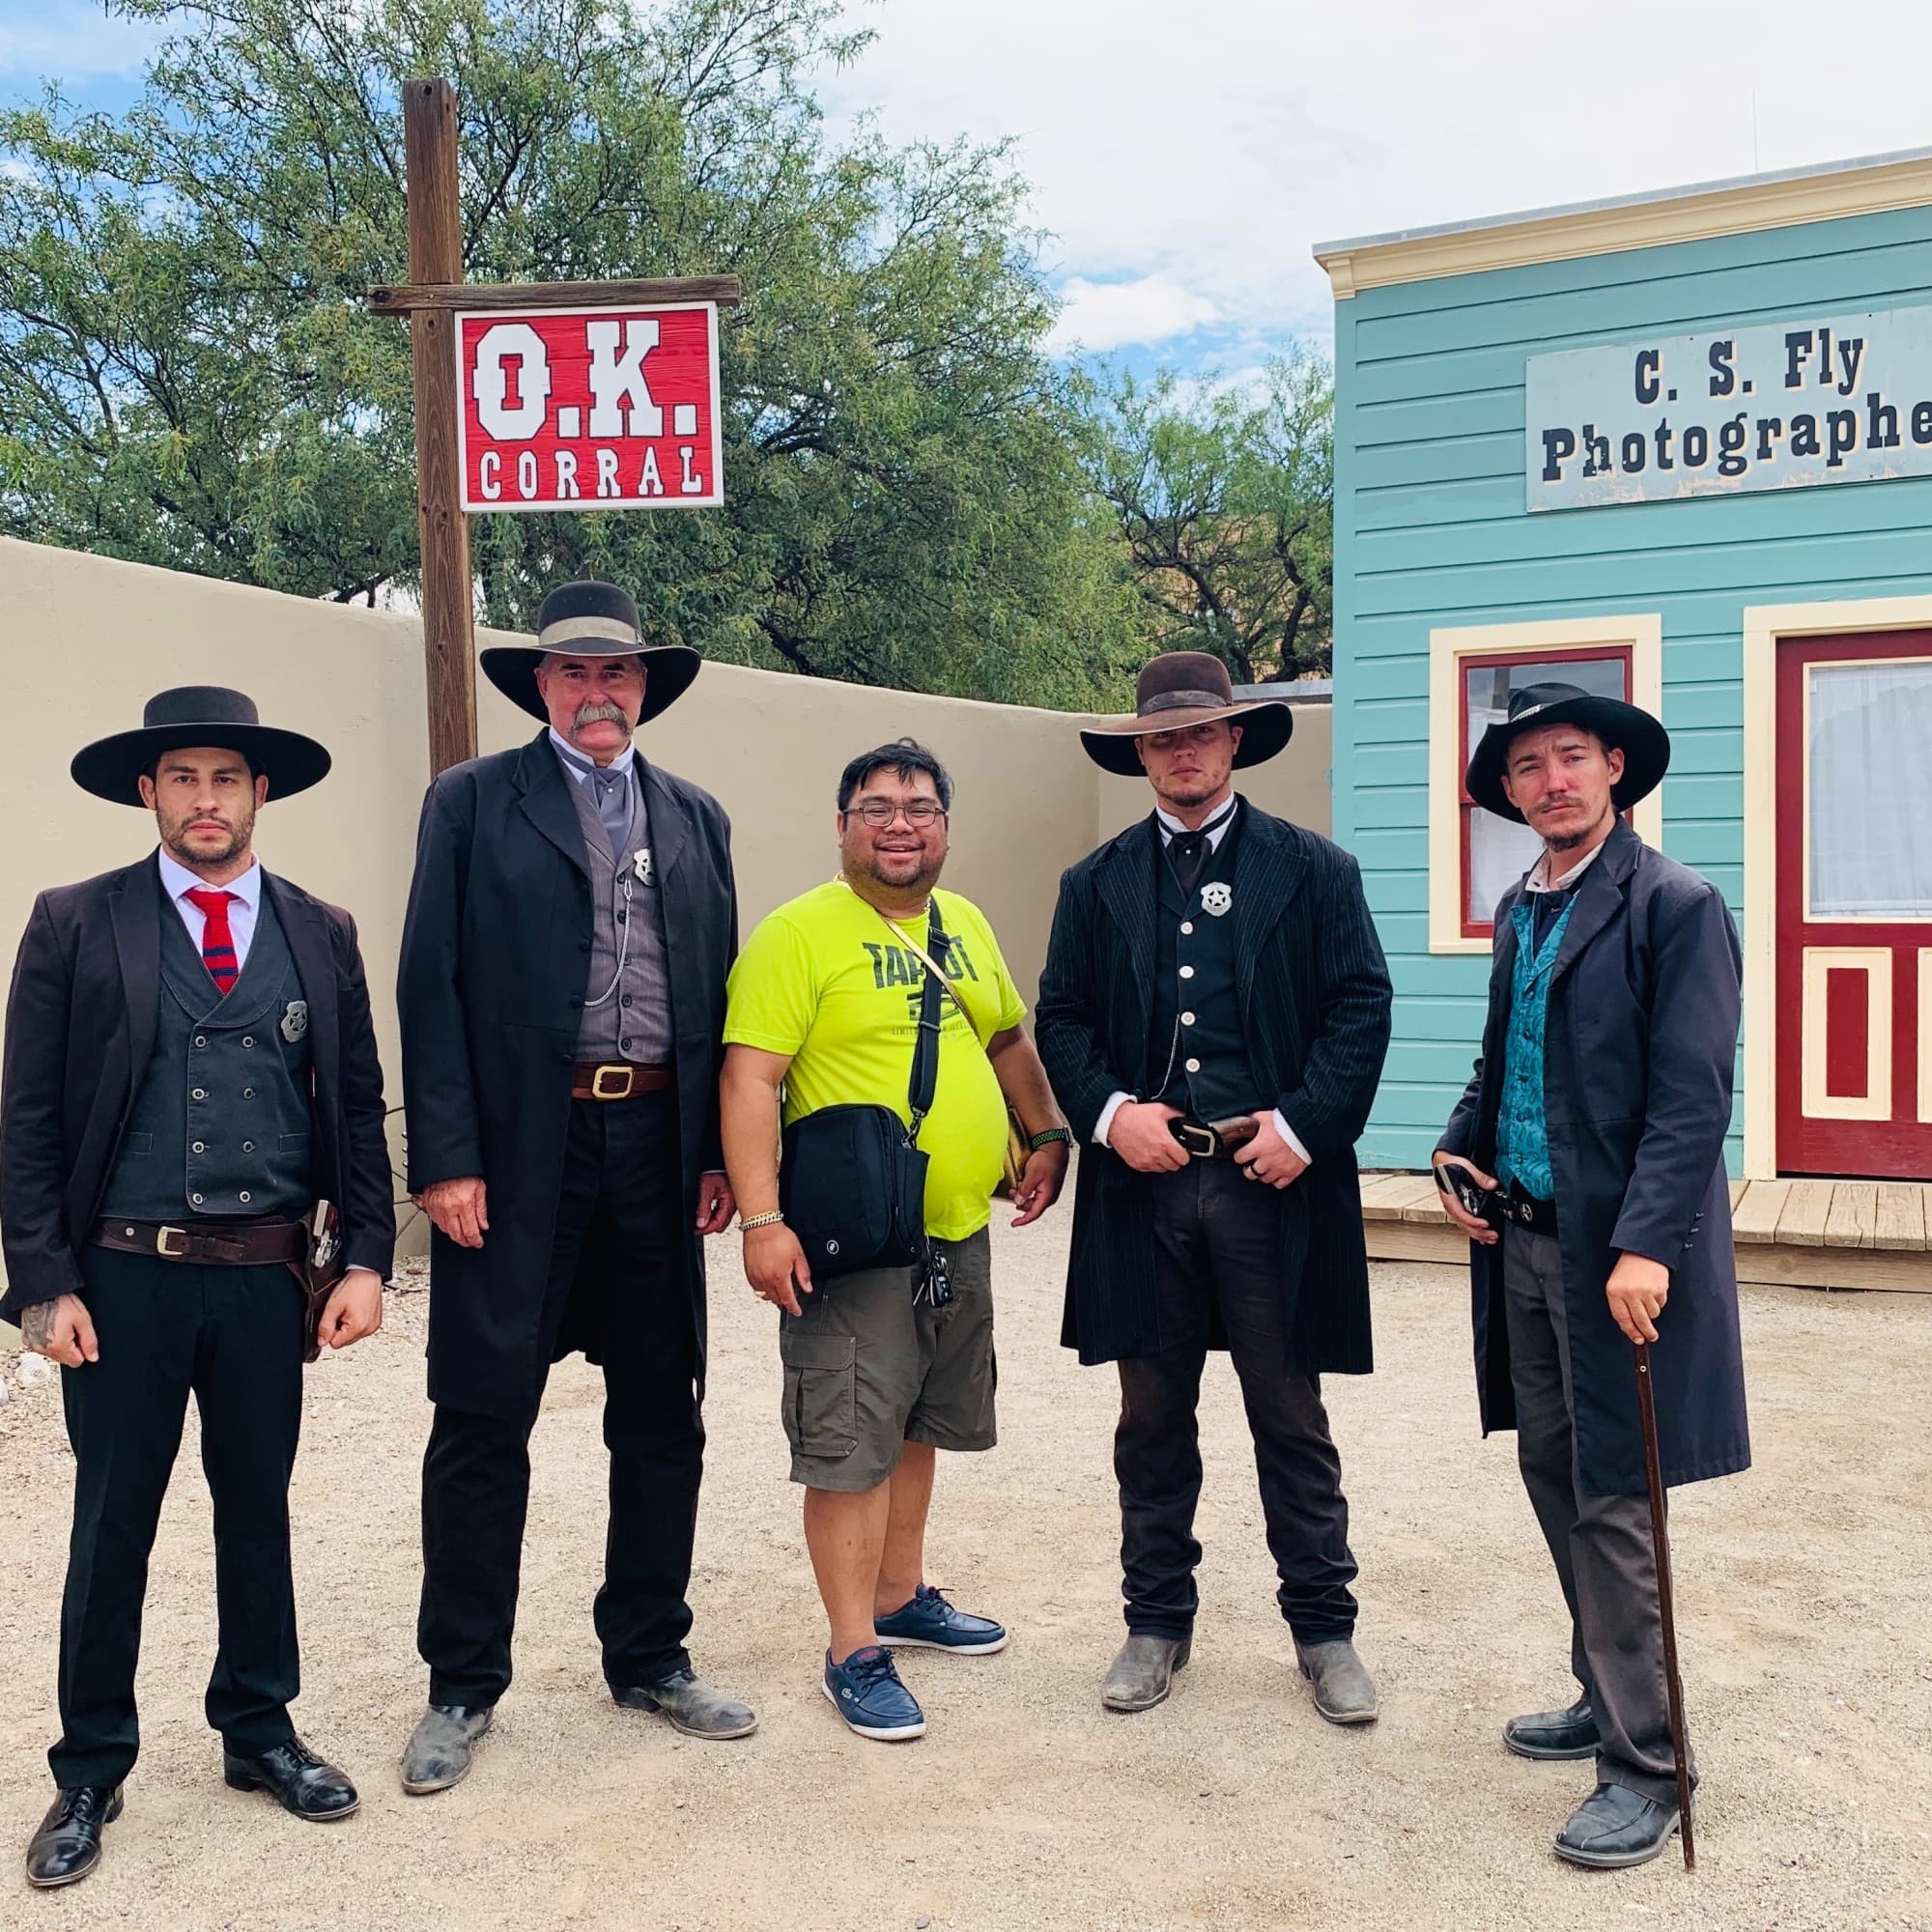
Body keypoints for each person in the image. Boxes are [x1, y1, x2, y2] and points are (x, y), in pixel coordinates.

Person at [2, 687, 393, 1889]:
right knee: (112, 1520)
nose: (206, 799)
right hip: (123, 1277)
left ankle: (259, 1728)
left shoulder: (321, 928)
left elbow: (357, 1101)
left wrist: (368, 1254)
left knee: (255, 1505)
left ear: (259, 791)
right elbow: (26, 1117)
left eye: (228, 777)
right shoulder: (75, 920)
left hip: (267, 1278)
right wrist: (39, 1284)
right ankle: (89, 1763)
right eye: (184, 777)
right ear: (148, 792)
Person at [394, 580, 751, 1794]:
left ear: (644, 687)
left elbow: (722, 1003)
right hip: (518, 1153)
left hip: (656, 1145)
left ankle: (650, 1652)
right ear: (539, 686)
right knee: (485, 1415)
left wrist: (716, 1152)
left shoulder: (697, 816)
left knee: (662, 1408)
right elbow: (427, 982)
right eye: (573, 674)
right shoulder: (471, 802)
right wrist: (443, 1156)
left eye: (618, 675)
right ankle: (461, 1681)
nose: (598, 693)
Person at [1036, 652, 1392, 1722]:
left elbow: (1359, 1006)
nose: (1181, 751)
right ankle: (1154, 1621)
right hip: (1144, 1189)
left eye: (1199, 733)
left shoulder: (1314, 868)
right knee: (1150, 1416)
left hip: (1266, 1183)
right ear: (1140, 751)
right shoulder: (1093, 883)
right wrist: (1108, 1115)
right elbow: (1061, 1018)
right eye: (1161, 737)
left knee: (1288, 1412)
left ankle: (1323, 1631)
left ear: (1234, 740)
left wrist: (1304, 1124)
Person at [1434, 681, 1749, 1871]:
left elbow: (1689, 1099)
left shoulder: (1673, 903)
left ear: (1613, 770)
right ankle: (1600, 1685)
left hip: (1611, 1256)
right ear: (1509, 794)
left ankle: (1646, 1763)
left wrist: (1640, 1246)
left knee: (1615, 1494)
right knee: (1550, 1464)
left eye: (1571, 757)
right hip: (1521, 1239)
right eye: (1527, 767)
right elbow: (1503, 1055)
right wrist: (1459, 1144)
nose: (1550, 780)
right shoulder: (1521, 907)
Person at [719, 740, 1070, 1742]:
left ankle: (900, 1593)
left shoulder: (964, 924)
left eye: (918, 804)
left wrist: (1043, 1130)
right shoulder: (799, 934)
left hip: (954, 1230)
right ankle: (850, 1647)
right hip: (854, 1238)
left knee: (917, 1421)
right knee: (848, 1442)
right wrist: (760, 1218)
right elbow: (749, 1078)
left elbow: (1004, 1036)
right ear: (842, 826)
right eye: (874, 805)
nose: (899, 821)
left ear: (945, 826)